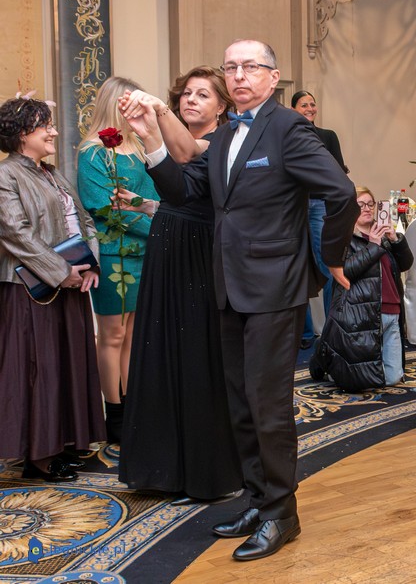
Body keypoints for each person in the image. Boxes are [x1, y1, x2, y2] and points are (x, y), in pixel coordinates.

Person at [125, 39, 358, 561]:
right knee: (242, 403)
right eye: (231, 67)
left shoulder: (288, 128)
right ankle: (258, 500)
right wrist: (151, 140)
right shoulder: (228, 132)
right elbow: (185, 192)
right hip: (228, 286)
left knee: (268, 406)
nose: (239, 75)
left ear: (273, 77)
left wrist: (332, 257)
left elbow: (341, 192)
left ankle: (282, 514)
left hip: (275, 287)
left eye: (251, 66)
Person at [115, 66, 242, 504]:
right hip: (167, 249)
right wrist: (146, 204)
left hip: (197, 256)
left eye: (203, 94)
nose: (191, 99)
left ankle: (207, 474)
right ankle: (162, 468)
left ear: (222, 107)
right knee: (160, 351)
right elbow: (173, 198)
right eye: (187, 93)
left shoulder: (221, 143)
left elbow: (182, 189)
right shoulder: (182, 140)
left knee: (194, 358)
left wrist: (152, 134)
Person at [0, 97, 105, 481]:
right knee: (38, 368)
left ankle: (63, 443)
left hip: (71, 283)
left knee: (66, 365)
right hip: (30, 289)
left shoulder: (52, 172)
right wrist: (61, 272)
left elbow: (84, 220)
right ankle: (38, 455)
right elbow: (16, 234)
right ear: (22, 133)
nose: (55, 132)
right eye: (46, 125)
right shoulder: (5, 175)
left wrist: (90, 265)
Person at [77, 76, 159, 443]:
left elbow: (154, 198)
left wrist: (154, 222)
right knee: (112, 335)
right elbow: (103, 209)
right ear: (115, 103)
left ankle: (131, 401)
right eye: (130, 103)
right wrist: (156, 228)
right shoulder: (92, 153)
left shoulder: (139, 147)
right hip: (113, 255)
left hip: (145, 254)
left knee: (133, 335)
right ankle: (115, 414)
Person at [311, 186, 413, 390]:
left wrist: (395, 240)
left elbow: (405, 264)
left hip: (392, 310)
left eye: (370, 204)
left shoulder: (384, 235)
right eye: (361, 205)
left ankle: (329, 349)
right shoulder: (343, 237)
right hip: (362, 313)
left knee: (393, 378)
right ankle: (324, 353)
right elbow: (345, 271)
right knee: (357, 381)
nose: (367, 208)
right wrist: (373, 246)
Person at [291, 89, 348, 350]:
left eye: (312, 104)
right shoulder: (287, 136)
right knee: (297, 266)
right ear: (293, 109)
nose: (310, 108)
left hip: (317, 204)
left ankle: (330, 328)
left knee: (327, 265)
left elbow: (339, 173)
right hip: (292, 206)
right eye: (304, 105)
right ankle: (303, 332)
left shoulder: (327, 136)